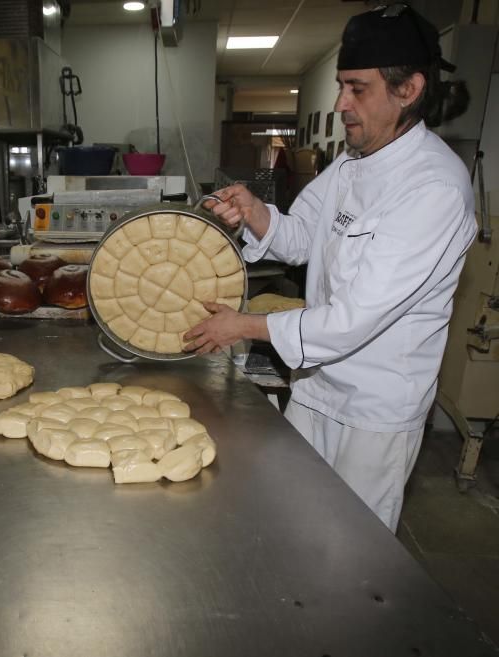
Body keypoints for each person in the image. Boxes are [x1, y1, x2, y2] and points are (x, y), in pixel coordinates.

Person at [183, 3, 476, 533]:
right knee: (289, 526)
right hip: (317, 385)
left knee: (349, 556)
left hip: (374, 410)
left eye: (357, 89)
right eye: (341, 86)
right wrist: (255, 212)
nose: (341, 103)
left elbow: (353, 321)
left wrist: (243, 325)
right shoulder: (351, 162)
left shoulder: (433, 188)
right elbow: (300, 238)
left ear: (408, 89)